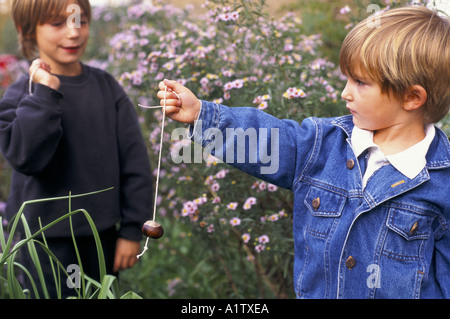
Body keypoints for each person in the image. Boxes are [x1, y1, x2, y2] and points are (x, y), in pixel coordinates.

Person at [157, 6, 450, 298]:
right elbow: (265, 141)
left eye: (360, 83)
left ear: (412, 97)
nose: (344, 93)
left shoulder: (442, 183)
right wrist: (202, 115)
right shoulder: (321, 146)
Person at [0, 0, 153, 298]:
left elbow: (135, 165)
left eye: (80, 20)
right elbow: (25, 156)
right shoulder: (21, 94)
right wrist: (46, 91)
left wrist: (133, 229)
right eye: (58, 24)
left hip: (101, 239)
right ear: (27, 30)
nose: (73, 33)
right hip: (39, 242)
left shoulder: (108, 89)